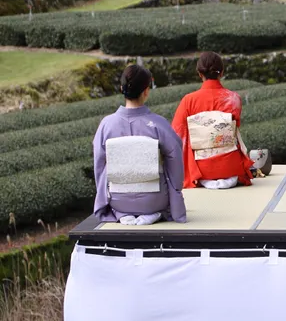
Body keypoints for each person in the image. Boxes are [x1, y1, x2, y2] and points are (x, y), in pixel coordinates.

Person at [93, 65, 187, 225]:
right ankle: (156, 213)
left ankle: (122, 213)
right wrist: (175, 194)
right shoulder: (158, 124)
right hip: (154, 199)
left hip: (117, 199)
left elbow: (99, 167)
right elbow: (175, 161)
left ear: (122, 88)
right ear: (146, 91)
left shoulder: (106, 125)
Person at [172, 52, 253, 190]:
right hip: (230, 167)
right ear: (221, 72)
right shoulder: (234, 99)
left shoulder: (188, 101)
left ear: (199, 74)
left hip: (201, 169)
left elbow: (176, 135)